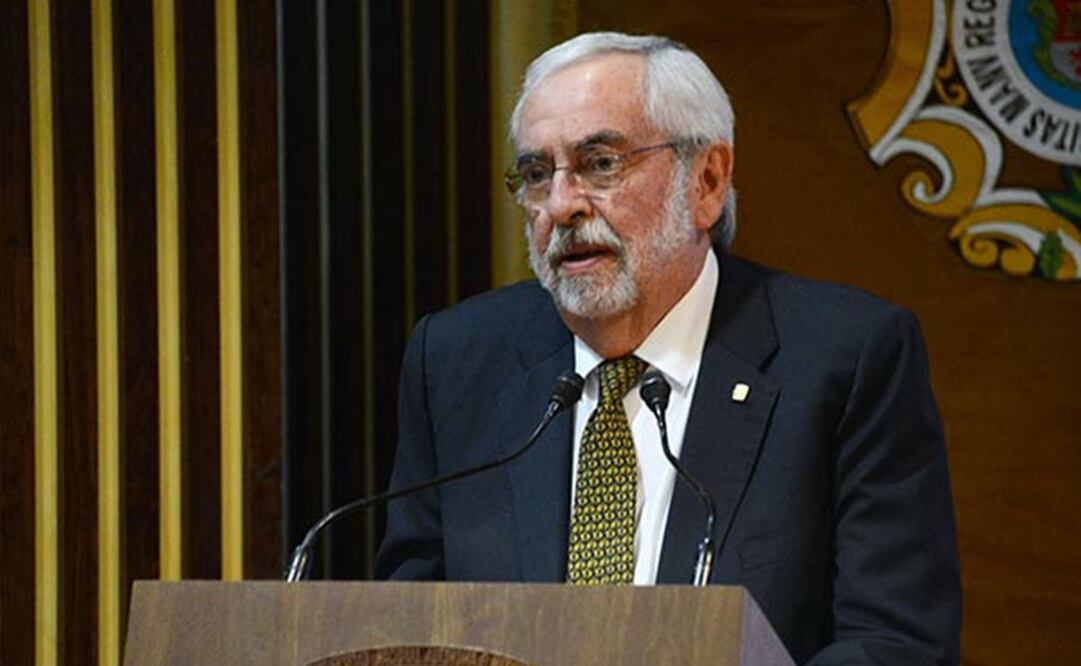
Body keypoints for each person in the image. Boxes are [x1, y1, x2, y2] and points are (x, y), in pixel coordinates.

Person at [376, 32, 961, 665]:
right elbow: (407, 633)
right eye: (538, 174)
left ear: (706, 181)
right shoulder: (458, 361)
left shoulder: (844, 359)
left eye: (601, 163)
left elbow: (896, 645)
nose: (561, 206)